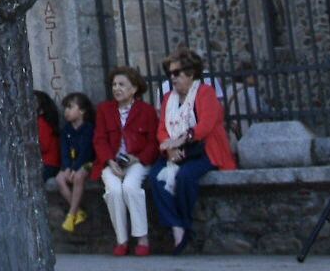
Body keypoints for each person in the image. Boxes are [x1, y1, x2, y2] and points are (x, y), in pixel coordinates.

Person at [152, 48, 235, 252]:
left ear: (190, 74)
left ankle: (185, 222)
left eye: (177, 73)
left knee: (186, 177)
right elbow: (162, 129)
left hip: (203, 149)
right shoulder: (167, 99)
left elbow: (207, 124)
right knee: (155, 178)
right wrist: (169, 150)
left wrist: (181, 139)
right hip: (176, 151)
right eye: (170, 73)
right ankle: (176, 226)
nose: (172, 78)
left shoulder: (206, 93)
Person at [96, 66, 162, 255]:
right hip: (111, 162)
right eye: (114, 85)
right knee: (114, 190)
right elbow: (99, 139)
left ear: (134, 89)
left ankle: (142, 239)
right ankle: (122, 240)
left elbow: (152, 142)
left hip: (137, 161)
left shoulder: (146, 111)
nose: (117, 88)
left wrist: (137, 158)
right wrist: (109, 161)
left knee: (131, 187)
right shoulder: (104, 110)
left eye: (122, 85)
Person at [54, 92, 99, 234]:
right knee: (59, 178)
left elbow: (86, 152)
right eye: (65, 108)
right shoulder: (66, 130)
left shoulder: (88, 129)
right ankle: (78, 211)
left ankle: (71, 215)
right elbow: (65, 151)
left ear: (82, 111)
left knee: (79, 177)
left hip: (87, 163)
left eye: (70, 107)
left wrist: (74, 168)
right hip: (72, 164)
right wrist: (67, 168)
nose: (66, 111)